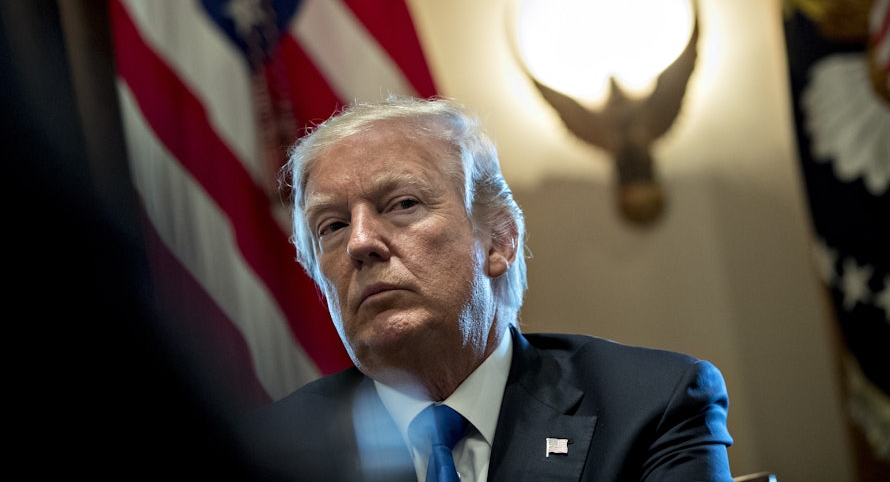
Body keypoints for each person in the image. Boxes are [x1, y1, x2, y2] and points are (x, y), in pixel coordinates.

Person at [241, 96, 733, 481]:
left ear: (498, 240)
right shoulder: (270, 453)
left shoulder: (650, 405)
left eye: (403, 203)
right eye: (332, 226)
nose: (361, 243)